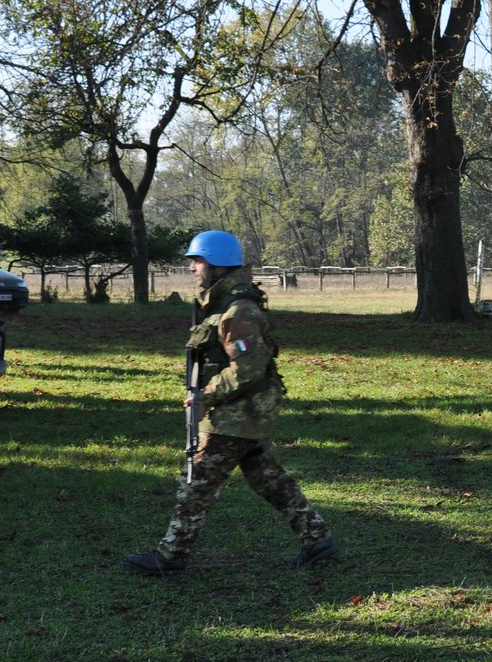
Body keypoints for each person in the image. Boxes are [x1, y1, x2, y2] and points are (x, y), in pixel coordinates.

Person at [123, 231, 339, 575]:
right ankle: (317, 539)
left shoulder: (238, 311)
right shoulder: (222, 306)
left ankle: (170, 557)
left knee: (197, 482)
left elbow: (248, 367)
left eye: (198, 262)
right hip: (244, 412)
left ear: (216, 265)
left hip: (238, 414)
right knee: (268, 478)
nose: (193, 269)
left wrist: (205, 396)